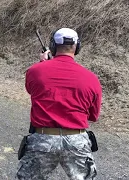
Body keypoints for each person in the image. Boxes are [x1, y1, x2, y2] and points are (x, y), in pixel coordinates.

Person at [16, 28, 102, 180]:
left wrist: (43, 64)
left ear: (53, 47)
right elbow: (93, 116)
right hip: (77, 140)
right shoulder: (92, 78)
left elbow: (32, 90)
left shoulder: (35, 71)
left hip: (43, 139)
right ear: (77, 47)